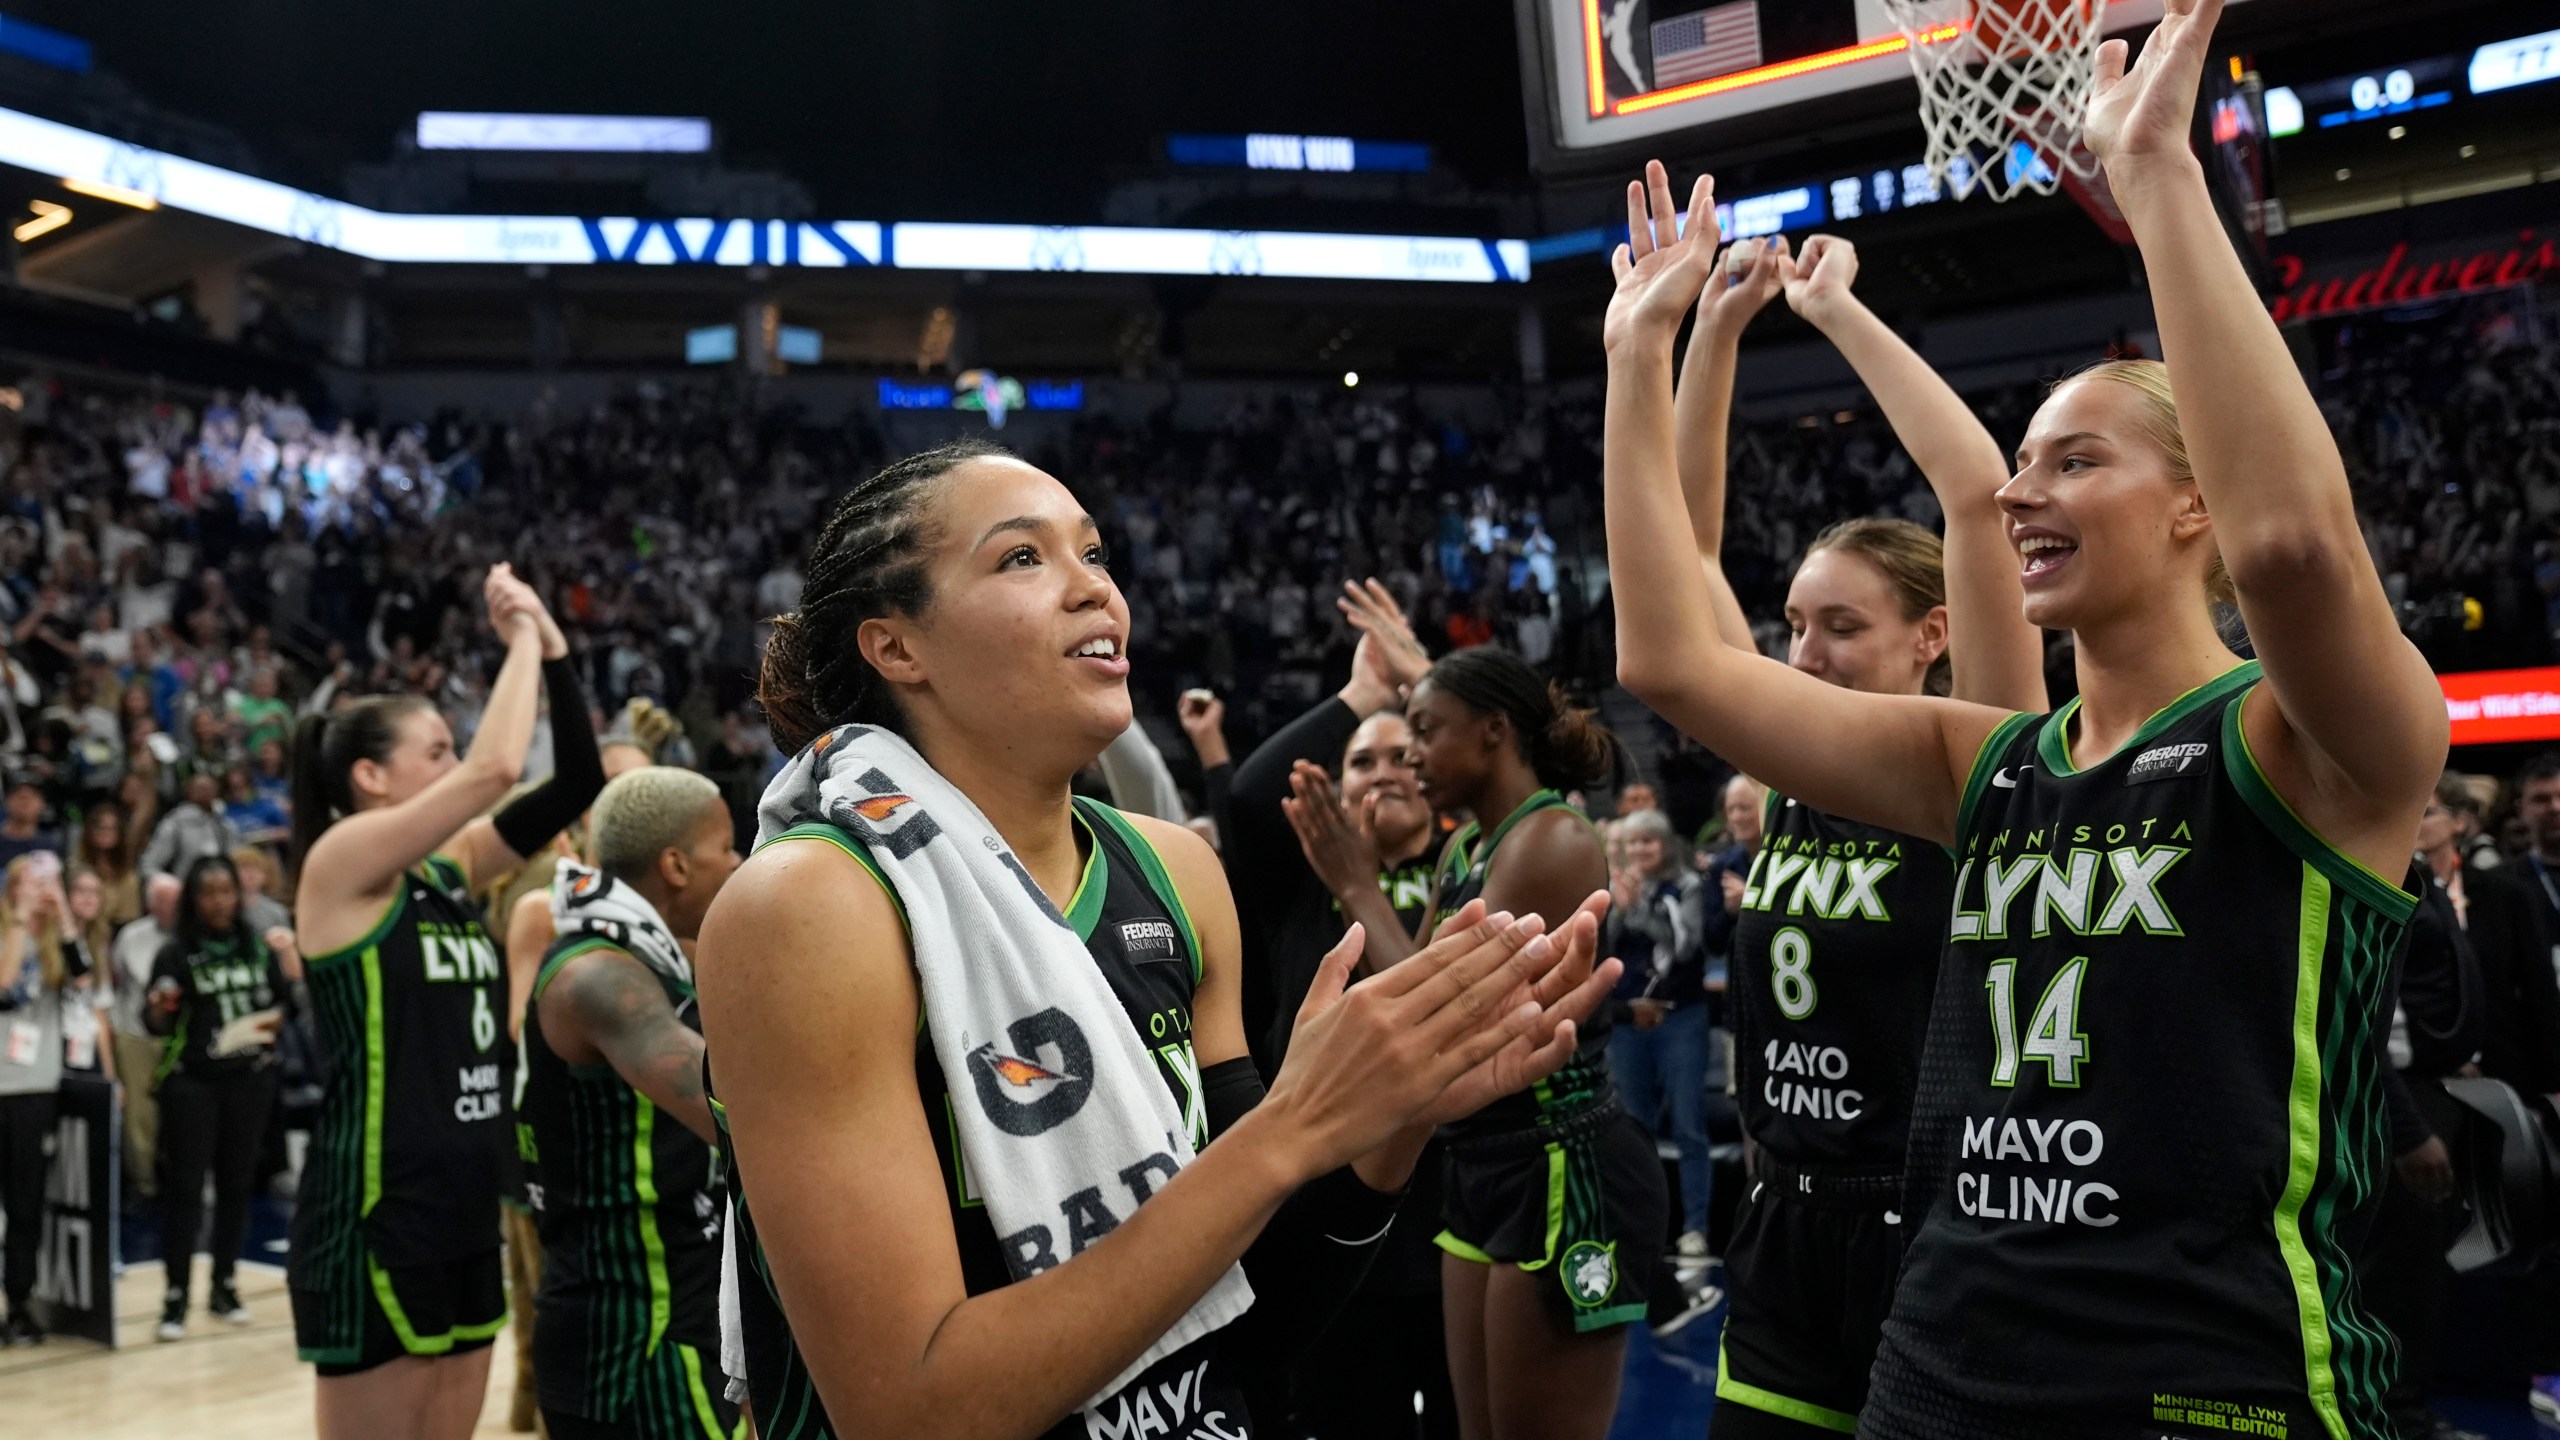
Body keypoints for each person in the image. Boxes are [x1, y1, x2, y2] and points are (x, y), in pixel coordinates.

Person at [1605, 7, 2447, 1429]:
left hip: (2209, 1379)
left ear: (2197, 505)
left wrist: (2159, 181)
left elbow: (2297, 547)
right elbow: (1673, 660)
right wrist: (1641, 352)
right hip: (1942, 1366)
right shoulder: (1989, 761)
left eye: (2076, 459)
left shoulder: (2301, 749)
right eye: (2023, 464)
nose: (2016, 491)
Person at [696, 440, 1618, 1440]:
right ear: (897, 647)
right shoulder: (809, 906)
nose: (1095, 591)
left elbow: (1249, 1326)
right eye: (1021, 558)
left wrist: (1388, 1123)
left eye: (1093, 554)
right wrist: (1287, 1130)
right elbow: (912, 1410)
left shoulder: (1176, 873)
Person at [1671, 225, 2048, 1435]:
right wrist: (1712, 334)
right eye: (1792, 624)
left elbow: (1975, 498)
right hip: (1784, 1218)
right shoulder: (1790, 768)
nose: (1802, 654)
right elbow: (1677, 553)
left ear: (1930, 637)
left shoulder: (1971, 763)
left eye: (1839, 626)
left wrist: (1836, 312)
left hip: (1932, 1218)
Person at [287, 562, 605, 1440]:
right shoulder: (339, 870)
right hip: (375, 1207)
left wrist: (557, 652)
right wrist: (517, 636)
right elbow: (499, 763)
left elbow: (575, 780)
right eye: (433, 750)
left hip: (465, 1198)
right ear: (370, 778)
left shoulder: (447, 867)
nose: (454, 760)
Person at [1331, 641, 1658, 1440]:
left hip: (1560, 1159)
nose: (1411, 754)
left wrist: (1353, 885)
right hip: (1481, 1159)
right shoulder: (1465, 846)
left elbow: (1451, 1018)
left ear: (1492, 731)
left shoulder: (1552, 839)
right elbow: (1408, 981)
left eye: (1426, 729)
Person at [1244, 579, 1462, 1436]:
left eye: (1409, 755)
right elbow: (1256, 790)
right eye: (1362, 761)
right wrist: (1360, 699)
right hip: (1330, 1212)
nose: (1386, 772)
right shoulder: (1301, 886)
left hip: (1448, 1204)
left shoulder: (1468, 861)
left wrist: (1426, 685)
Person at [521, 767, 742, 1439]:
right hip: (636, 1344)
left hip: (674, 1313)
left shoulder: (661, 953)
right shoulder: (598, 977)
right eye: (726, 847)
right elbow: (725, 1108)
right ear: (675, 864)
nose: (740, 863)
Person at [145, 854, 300, 1339]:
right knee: (186, 1190)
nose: (218, 901)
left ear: (239, 895)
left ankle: (225, 1284)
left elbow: (286, 1003)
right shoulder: (174, 952)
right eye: (208, 892)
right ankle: (174, 1295)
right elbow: (155, 1020)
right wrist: (160, 1007)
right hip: (192, 1081)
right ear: (194, 899)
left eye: (226, 891)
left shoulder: (255, 946)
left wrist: (276, 1007)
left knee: (237, 1185)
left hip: (248, 1079)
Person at [1599, 809, 1712, 1264]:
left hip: (1680, 1017)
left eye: (1650, 841)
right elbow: (1603, 946)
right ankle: (1642, 1226)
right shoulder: (1613, 887)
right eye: (1634, 842)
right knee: (1633, 1130)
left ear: (1665, 845)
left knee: (1689, 1127)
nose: (1641, 850)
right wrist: (1616, 907)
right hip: (1628, 1023)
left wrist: (1638, 909)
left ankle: (1696, 1228)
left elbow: (1684, 945)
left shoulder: (1684, 886)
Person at [0, 853, 86, 1344]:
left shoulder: (54, 942)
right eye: (25, 884)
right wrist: (19, 921)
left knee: (26, 1205)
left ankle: (20, 1302)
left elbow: (83, 977)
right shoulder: (8, 935)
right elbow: (5, 984)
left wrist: (64, 917)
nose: (34, 891)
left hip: (35, 1088)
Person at [111, 873, 183, 1202]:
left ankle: (178, 1179)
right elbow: (120, 980)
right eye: (164, 900)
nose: (172, 906)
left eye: (177, 900)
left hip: (180, 1037)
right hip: (136, 1034)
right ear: (151, 904)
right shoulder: (131, 936)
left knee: (179, 1112)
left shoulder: (191, 936)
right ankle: (143, 1183)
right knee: (140, 1113)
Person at [142, 771, 243, 881]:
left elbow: (236, 857)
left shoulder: (224, 824)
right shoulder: (175, 823)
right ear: (189, 792)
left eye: (209, 788)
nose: (205, 792)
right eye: (200, 788)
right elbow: (150, 864)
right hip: (185, 887)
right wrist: (166, 885)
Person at [74, 800, 141, 929]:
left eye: (112, 828)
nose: (105, 831)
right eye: (99, 826)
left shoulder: (127, 878)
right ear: (89, 831)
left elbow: (127, 924)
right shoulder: (74, 869)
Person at [0, 780, 57, 870]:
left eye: (31, 798)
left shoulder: (47, 846)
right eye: (20, 797)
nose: (25, 803)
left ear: (42, 804)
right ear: (7, 801)